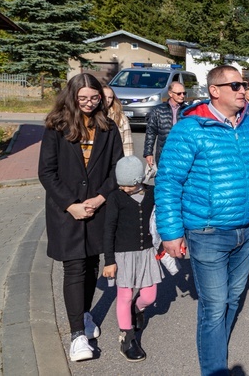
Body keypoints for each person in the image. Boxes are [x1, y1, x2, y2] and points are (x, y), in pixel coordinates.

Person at [155, 65, 249, 375]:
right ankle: (214, 369)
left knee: (233, 298)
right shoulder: (190, 128)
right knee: (213, 307)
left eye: (244, 85)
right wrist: (171, 234)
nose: (242, 90)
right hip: (208, 232)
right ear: (214, 91)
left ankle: (216, 350)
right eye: (235, 85)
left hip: (247, 229)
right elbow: (169, 183)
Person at [38, 73, 123, 362]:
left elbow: (117, 168)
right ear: (72, 97)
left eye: (95, 98)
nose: (89, 103)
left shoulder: (108, 127)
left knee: (91, 262)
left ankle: (85, 314)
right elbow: (47, 172)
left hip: (98, 207)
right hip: (67, 212)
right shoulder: (56, 127)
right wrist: (70, 204)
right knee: (74, 267)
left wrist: (100, 198)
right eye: (83, 98)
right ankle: (77, 336)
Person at [102, 156, 162, 362]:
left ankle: (137, 309)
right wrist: (109, 261)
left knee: (150, 295)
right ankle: (127, 338)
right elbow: (108, 230)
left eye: (128, 185)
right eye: (121, 184)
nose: (124, 188)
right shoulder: (115, 198)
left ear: (138, 180)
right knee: (124, 295)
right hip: (123, 256)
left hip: (146, 253)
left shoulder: (152, 194)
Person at [143, 81, 186, 168]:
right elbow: (151, 133)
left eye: (184, 93)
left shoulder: (187, 111)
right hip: (164, 154)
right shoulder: (158, 110)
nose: (182, 96)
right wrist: (148, 153)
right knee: (164, 179)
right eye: (179, 93)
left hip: (183, 154)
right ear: (170, 94)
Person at [103, 85, 133, 157]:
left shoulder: (121, 117)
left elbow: (127, 143)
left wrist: (127, 162)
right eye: (104, 97)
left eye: (110, 97)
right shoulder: (92, 115)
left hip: (116, 158)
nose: (107, 100)